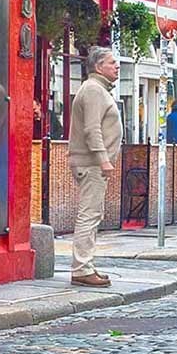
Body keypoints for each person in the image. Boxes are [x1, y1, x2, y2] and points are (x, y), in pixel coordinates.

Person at [68, 48, 124, 288]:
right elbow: (92, 129)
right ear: (99, 67)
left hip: (92, 164)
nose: (117, 66)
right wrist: (103, 160)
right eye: (112, 62)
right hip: (91, 164)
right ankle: (81, 268)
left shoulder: (98, 89)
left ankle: (86, 265)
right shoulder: (93, 90)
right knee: (89, 215)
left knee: (93, 214)